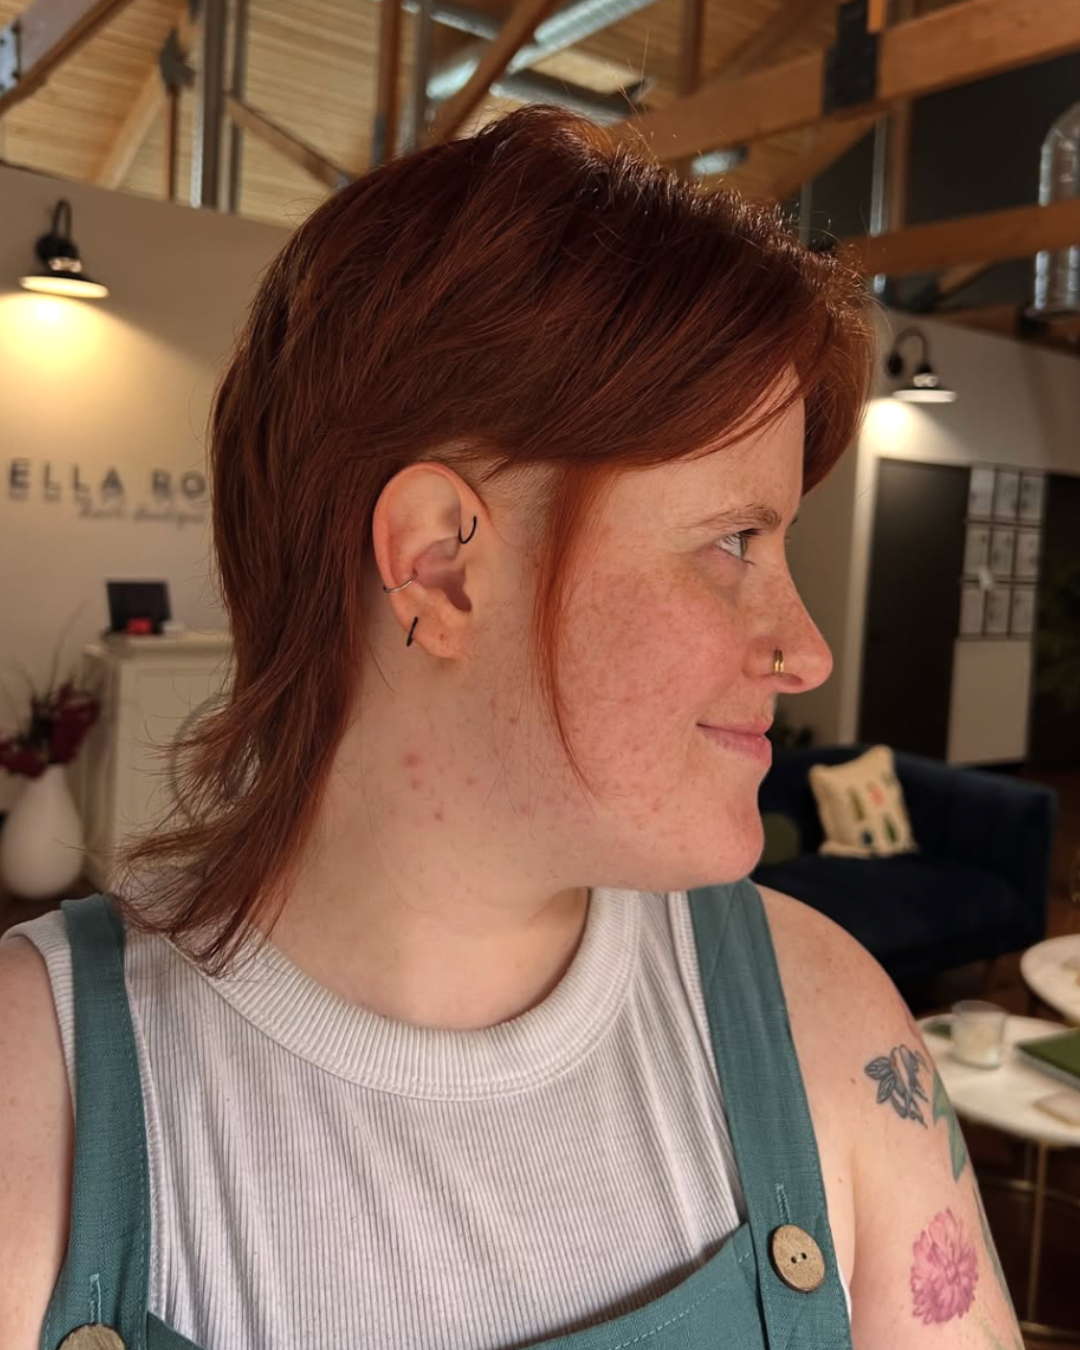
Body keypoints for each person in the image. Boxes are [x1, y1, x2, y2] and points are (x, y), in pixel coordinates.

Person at [0, 106, 1023, 1350]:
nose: (805, 648)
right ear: (440, 568)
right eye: (733, 542)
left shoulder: (826, 1022)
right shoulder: (31, 1097)